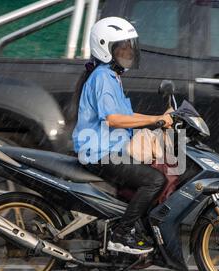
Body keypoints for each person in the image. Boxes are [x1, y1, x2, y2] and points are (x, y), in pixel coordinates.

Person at [72, 17, 173, 255]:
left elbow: (125, 114)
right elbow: (114, 119)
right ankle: (122, 234)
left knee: (154, 169)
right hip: (100, 153)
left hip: (112, 148)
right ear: (106, 49)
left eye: (130, 45)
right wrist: (155, 119)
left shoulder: (111, 76)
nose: (128, 51)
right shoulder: (102, 78)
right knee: (154, 180)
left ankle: (133, 224)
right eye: (122, 47)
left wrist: (161, 116)